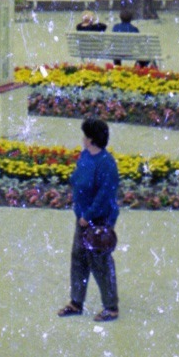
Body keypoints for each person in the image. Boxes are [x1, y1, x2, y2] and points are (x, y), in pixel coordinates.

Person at [58, 117, 120, 321]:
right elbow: (78, 177)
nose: (83, 139)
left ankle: (111, 307)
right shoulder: (85, 156)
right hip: (82, 218)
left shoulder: (106, 164)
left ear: (92, 139)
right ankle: (76, 302)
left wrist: (88, 215)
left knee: (100, 263)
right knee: (79, 259)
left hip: (98, 220)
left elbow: (105, 195)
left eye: (86, 136)